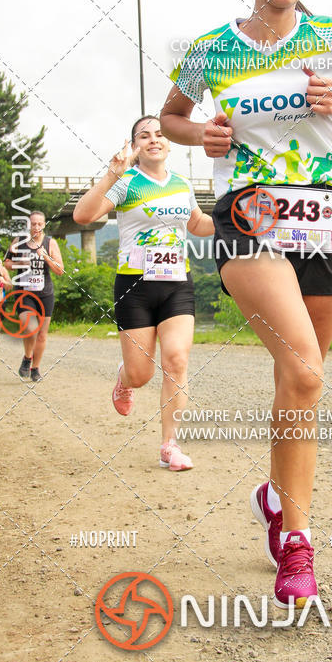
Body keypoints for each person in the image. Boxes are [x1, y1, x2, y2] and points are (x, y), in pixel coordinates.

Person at [160, 0, 332, 607]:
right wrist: (198, 133)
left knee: (301, 383)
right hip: (250, 212)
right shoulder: (212, 49)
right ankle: (298, 541)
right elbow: (173, 116)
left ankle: (274, 494)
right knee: (302, 367)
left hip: (325, 215)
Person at [73, 115, 214, 472]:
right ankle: (125, 379)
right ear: (135, 145)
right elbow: (83, 215)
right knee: (142, 374)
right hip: (134, 287)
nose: (154, 139)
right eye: (144, 135)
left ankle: (170, 445)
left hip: (177, 284)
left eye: (160, 134)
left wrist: (234, 215)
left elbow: (196, 224)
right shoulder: (127, 183)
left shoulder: (182, 184)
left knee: (177, 360)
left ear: (169, 144)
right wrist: (112, 174)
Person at [3, 211, 64, 381]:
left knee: (42, 334)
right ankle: (27, 357)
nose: (36, 227)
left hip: (45, 293)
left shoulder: (50, 243)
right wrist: (20, 263)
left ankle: (35, 368)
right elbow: (6, 263)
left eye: (39, 224)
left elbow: (60, 270)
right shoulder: (18, 241)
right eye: (33, 224)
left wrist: (45, 256)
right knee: (30, 329)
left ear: (44, 225)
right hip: (24, 292)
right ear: (28, 225)